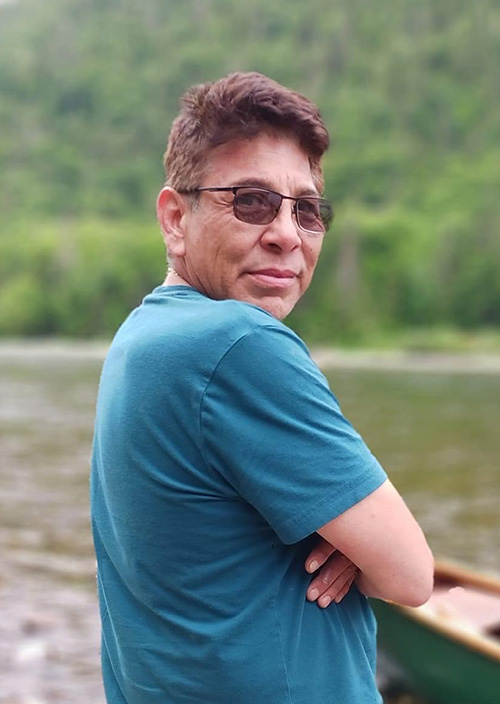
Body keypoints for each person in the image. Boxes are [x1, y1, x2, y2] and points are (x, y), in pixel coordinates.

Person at [90, 72, 433, 704]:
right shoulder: (236, 342)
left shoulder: (143, 338)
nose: (286, 233)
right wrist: (358, 543)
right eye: (251, 201)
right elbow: (411, 574)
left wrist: (357, 540)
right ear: (174, 218)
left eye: (307, 210)